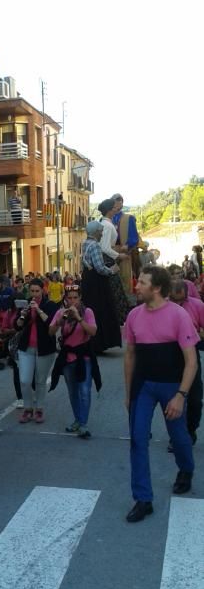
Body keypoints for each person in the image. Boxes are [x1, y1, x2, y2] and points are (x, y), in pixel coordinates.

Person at [124, 267, 198, 523]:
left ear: (156, 288)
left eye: (142, 283)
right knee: (137, 439)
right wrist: (128, 393)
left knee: (179, 436)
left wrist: (180, 395)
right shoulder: (133, 316)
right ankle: (143, 499)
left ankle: (186, 469)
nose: (137, 286)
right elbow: (130, 355)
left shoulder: (179, 316)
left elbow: (191, 361)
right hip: (143, 386)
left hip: (171, 385)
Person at [49, 284, 101, 438]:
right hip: (68, 357)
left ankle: (83, 424)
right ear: (65, 299)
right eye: (69, 298)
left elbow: (93, 331)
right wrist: (58, 321)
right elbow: (50, 332)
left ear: (80, 298)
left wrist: (79, 318)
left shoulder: (87, 312)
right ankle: (77, 420)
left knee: (84, 390)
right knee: (73, 392)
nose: (72, 301)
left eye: (75, 298)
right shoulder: (60, 312)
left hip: (83, 357)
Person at [14, 279, 56, 424]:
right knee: (25, 380)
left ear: (43, 290)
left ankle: (39, 409)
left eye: (37, 291)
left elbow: (51, 323)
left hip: (45, 348)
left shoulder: (50, 305)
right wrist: (22, 315)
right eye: (32, 291)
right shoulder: (25, 304)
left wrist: (38, 310)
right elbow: (17, 325)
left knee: (40, 380)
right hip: (26, 347)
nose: (34, 294)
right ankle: (27, 408)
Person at [169, 279, 204, 446]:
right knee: (173, 397)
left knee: (195, 398)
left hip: (191, 350)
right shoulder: (164, 307)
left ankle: (191, 429)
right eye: (174, 300)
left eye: (180, 300)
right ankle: (177, 436)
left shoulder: (197, 305)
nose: (178, 304)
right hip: (171, 354)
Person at [81, 221, 121, 353]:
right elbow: (99, 268)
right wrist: (112, 270)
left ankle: (90, 341)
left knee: (90, 308)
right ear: (96, 232)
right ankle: (100, 342)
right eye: (100, 231)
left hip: (87, 280)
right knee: (102, 309)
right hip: (97, 283)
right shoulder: (95, 246)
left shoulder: (85, 243)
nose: (102, 233)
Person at [98, 198, 130, 324]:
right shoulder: (107, 225)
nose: (117, 208)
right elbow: (105, 247)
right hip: (108, 261)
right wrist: (119, 255)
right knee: (115, 293)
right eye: (114, 207)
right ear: (110, 210)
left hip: (107, 259)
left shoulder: (104, 223)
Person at [111, 193, 140, 296]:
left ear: (122, 203)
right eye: (115, 200)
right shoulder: (107, 219)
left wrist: (127, 245)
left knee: (124, 279)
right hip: (110, 253)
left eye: (119, 200)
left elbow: (134, 237)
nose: (117, 202)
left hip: (124, 253)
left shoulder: (129, 218)